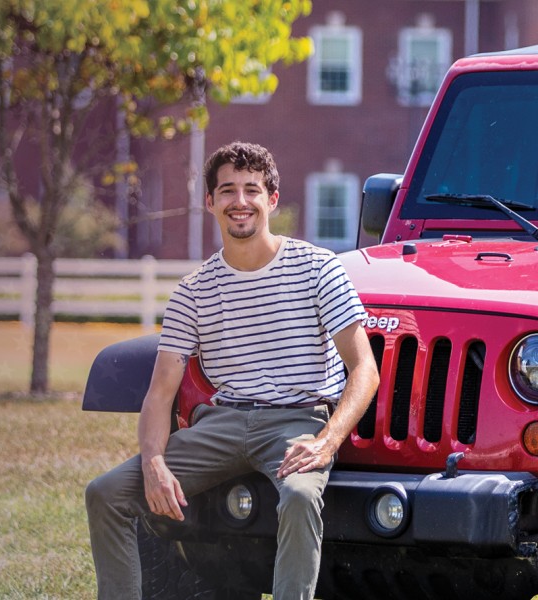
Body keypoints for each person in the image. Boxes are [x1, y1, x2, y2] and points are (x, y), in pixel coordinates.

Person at [84, 141, 379, 600]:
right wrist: (154, 461)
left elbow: (364, 369)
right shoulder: (192, 291)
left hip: (296, 420)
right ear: (210, 202)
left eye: (251, 190)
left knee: (300, 496)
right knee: (105, 493)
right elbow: (160, 393)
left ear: (272, 199)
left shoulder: (317, 268)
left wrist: (328, 439)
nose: (239, 202)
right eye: (227, 191)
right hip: (218, 426)